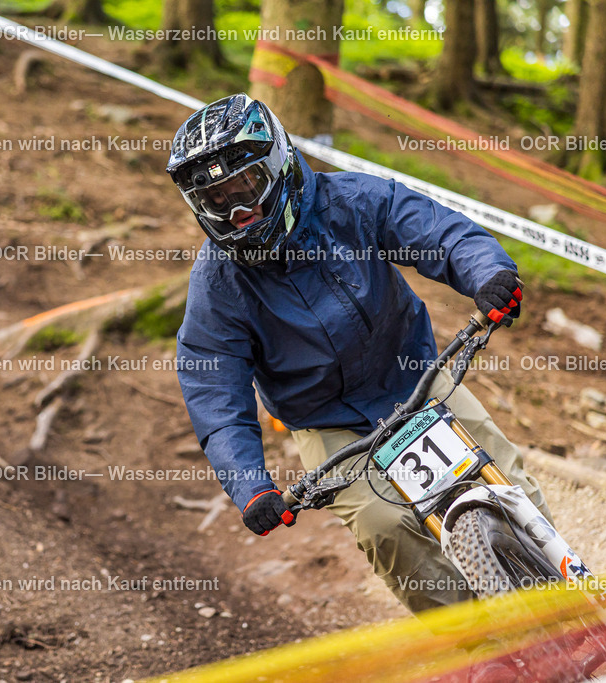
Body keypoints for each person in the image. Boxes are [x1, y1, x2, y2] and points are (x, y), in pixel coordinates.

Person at [168, 93, 552, 613]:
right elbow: (214, 386)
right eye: (219, 200)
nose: (240, 211)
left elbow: (434, 230)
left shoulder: (349, 201)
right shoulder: (217, 283)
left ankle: (569, 589)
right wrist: (250, 486)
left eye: (248, 187)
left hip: (417, 381)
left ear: (277, 166)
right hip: (329, 427)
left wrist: (487, 273)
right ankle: (480, 648)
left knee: (508, 477)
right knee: (385, 528)